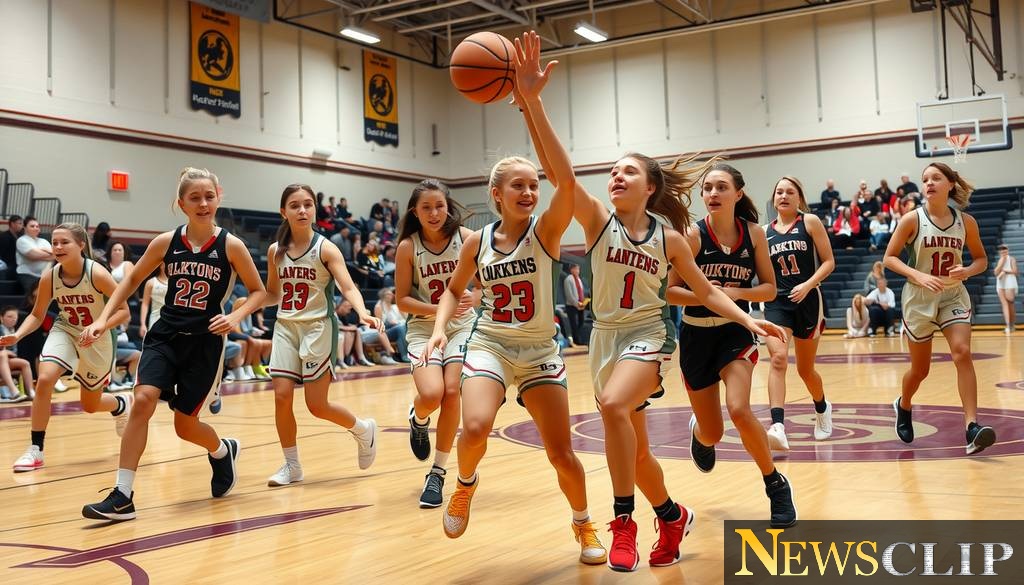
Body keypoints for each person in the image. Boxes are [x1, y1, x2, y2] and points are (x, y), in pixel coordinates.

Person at [422, 33, 607, 565]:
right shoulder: (476, 242)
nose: (530, 193)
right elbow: (454, 290)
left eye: (534, 186)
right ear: (496, 195)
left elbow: (567, 184)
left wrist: (532, 103)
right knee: (475, 426)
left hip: (540, 352)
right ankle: (464, 481)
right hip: (491, 346)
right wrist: (439, 327)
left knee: (562, 455)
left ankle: (583, 524)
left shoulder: (546, 232)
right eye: (519, 186)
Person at [80, 167, 267, 521]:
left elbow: (260, 291)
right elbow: (132, 279)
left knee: (185, 426)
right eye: (194, 198)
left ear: (219, 197)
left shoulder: (231, 245)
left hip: (205, 342)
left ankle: (221, 450)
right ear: (181, 203)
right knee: (143, 400)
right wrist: (103, 319)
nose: (202, 203)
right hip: (164, 335)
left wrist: (236, 316)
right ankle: (123, 494)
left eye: (208, 196)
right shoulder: (166, 242)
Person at [668, 163, 795, 529]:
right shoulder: (691, 235)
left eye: (721, 187)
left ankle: (775, 485)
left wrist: (733, 294)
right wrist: (707, 296)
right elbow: (670, 291)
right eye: (707, 188)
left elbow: (770, 289)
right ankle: (700, 432)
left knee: (739, 409)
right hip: (695, 337)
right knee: (713, 432)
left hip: (736, 331)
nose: (712, 194)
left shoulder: (754, 234)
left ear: (738, 194)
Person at [263, 184, 380, 487]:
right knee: (281, 396)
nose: (302, 210)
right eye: (294, 205)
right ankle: (292, 465)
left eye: (308, 204)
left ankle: (362, 429)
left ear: (315, 209)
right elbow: (273, 294)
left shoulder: (325, 248)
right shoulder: (275, 251)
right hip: (285, 327)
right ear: (283, 212)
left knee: (317, 406)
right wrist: (243, 306)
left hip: (317, 328)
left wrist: (362, 311)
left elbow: (348, 286)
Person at [884, 163, 994, 455]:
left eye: (936, 178)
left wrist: (967, 271)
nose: (929, 183)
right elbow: (889, 259)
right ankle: (904, 404)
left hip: (952, 296)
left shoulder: (966, 222)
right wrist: (916, 275)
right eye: (925, 180)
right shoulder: (912, 219)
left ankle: (972, 427)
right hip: (919, 298)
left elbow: (982, 259)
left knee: (963, 352)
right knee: (920, 370)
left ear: (949, 185)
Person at [2, 223, 132, 472]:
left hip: (98, 337)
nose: (58, 247)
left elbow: (124, 311)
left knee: (89, 405)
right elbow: (37, 315)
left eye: (65, 242)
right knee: (45, 380)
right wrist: (17, 334)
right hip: (66, 329)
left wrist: (100, 325)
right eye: (55, 243)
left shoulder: (97, 274)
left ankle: (120, 404)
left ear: (81, 245)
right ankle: (36, 450)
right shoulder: (50, 276)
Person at [394, 178, 477, 508]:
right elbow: (401, 300)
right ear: (415, 212)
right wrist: (440, 308)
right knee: (431, 394)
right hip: (422, 330)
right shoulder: (407, 247)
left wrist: (475, 296)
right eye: (426, 207)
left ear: (448, 206)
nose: (434, 212)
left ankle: (438, 473)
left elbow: (485, 286)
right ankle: (419, 418)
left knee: (453, 391)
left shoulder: (467, 239)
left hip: (462, 328)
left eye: (439, 205)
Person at [763, 176, 836, 453]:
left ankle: (822, 407)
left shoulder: (810, 223)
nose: (783, 196)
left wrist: (808, 284)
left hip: (807, 300)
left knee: (806, 370)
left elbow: (829, 261)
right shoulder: (763, 232)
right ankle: (778, 427)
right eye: (779, 191)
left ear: (799, 198)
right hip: (776, 303)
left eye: (789, 192)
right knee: (778, 359)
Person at [0, 306, 34, 401]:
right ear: (1, 318)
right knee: (2, 354)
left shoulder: (15, 331)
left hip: (4, 362)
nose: (13, 319)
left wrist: (7, 352)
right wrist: (5, 352)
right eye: (9, 316)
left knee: (25, 363)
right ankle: (13, 391)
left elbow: (13, 353)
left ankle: (31, 392)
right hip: (2, 358)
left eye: (15, 317)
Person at [15, 216, 54, 294]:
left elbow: (55, 256)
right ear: (25, 228)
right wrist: (49, 254)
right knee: (33, 297)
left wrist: (44, 253)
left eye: (37, 226)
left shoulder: (44, 241)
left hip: (44, 276)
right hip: (27, 275)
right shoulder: (22, 240)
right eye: (32, 226)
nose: (36, 228)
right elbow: (33, 255)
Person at [335, 299, 376, 367]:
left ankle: (361, 357)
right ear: (342, 306)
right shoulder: (333, 313)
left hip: (343, 335)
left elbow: (344, 326)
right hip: (333, 334)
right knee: (348, 333)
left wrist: (350, 328)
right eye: (348, 309)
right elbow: (334, 327)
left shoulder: (342, 316)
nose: (349, 312)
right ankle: (345, 358)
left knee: (356, 331)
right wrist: (349, 328)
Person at [138, 264, 168, 339]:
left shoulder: (175, 283)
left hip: (170, 319)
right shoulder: (151, 282)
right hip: (155, 318)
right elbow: (145, 304)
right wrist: (143, 324)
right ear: (161, 266)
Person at [561, 263, 588, 346]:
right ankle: (576, 340)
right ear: (571, 269)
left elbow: (581, 292)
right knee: (574, 324)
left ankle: (580, 338)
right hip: (571, 306)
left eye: (578, 269)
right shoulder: (568, 279)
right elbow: (569, 295)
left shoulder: (579, 279)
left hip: (580, 305)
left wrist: (583, 302)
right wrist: (577, 304)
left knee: (581, 322)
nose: (578, 271)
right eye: (576, 269)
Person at [994, 244, 1018, 333]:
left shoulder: (1011, 259)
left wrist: (1005, 271)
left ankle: (1012, 325)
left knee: (1010, 302)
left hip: (1010, 282)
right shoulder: (1000, 260)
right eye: (1001, 250)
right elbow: (996, 273)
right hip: (1000, 283)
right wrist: (1002, 262)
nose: (1003, 251)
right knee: (1004, 304)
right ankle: (1008, 326)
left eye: (1005, 250)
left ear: (1007, 250)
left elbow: (1015, 271)